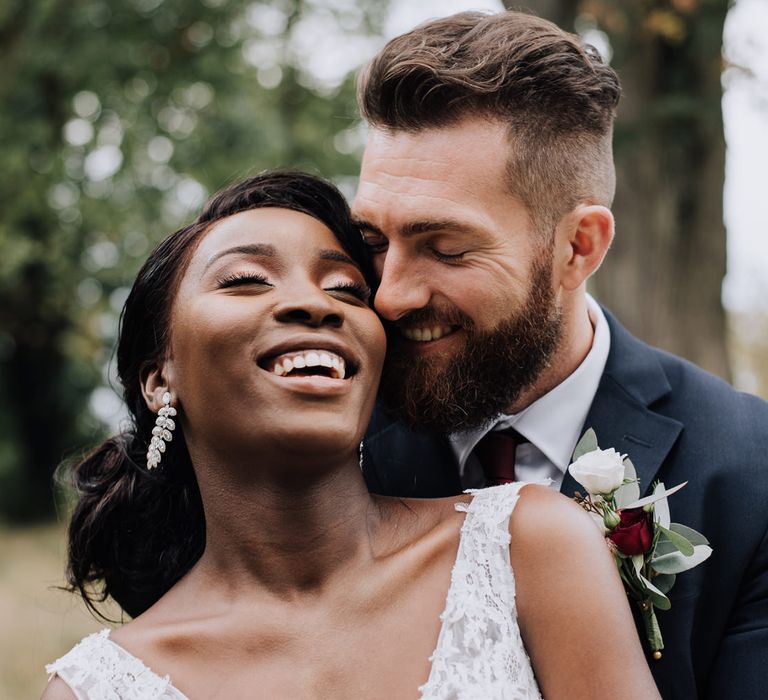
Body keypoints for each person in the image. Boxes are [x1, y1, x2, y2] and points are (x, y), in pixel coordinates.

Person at [42, 172, 659, 699]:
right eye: (245, 280)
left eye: (345, 289)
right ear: (158, 379)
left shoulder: (527, 545)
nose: (316, 305)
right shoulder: (97, 687)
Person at [352, 10, 768, 700]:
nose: (390, 296)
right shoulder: (330, 447)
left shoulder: (750, 472)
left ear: (579, 248)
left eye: (446, 248)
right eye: (373, 239)